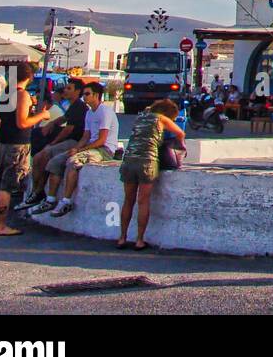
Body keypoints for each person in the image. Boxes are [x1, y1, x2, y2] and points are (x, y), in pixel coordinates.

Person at [0, 63, 49, 237]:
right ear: (29, 77)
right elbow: (22, 123)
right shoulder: (22, 94)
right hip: (17, 144)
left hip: (3, 141)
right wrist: (42, 115)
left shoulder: (6, 94)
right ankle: (1, 225)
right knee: (7, 186)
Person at [116, 99, 186, 250]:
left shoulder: (140, 117)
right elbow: (180, 133)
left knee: (128, 200)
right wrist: (181, 147)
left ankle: (122, 238)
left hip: (129, 160)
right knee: (143, 201)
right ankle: (139, 240)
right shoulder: (161, 118)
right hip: (147, 161)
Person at [46, 82, 118, 218]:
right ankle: (50, 199)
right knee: (56, 161)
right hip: (91, 147)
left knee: (74, 162)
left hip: (104, 150)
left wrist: (80, 151)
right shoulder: (89, 113)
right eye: (83, 94)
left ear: (96, 95)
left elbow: (102, 140)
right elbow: (86, 136)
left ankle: (66, 201)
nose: (84, 97)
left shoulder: (105, 112)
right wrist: (76, 148)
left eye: (87, 94)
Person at [20, 79, 87, 213]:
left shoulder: (79, 106)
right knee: (38, 157)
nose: (65, 91)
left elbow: (68, 129)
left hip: (74, 141)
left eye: (69, 88)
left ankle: (40, 192)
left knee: (45, 155)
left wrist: (53, 143)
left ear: (78, 91)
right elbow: (63, 119)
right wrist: (52, 124)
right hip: (67, 141)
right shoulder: (72, 106)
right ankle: (36, 191)